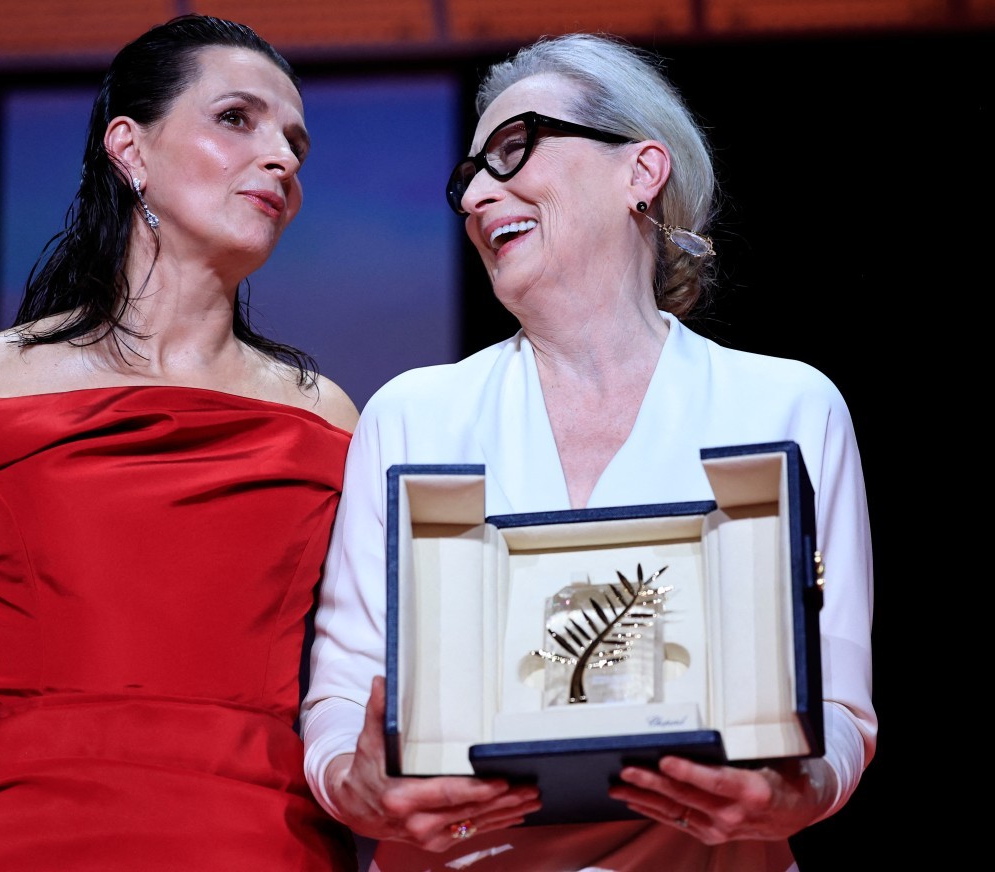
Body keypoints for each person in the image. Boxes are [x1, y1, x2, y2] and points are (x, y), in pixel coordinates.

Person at [300, 31, 874, 872]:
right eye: (468, 178)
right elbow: (342, 704)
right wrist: (358, 786)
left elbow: (838, 712)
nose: (475, 197)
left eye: (513, 149)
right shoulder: (413, 416)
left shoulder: (787, 406)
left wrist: (803, 789)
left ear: (641, 172)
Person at [0, 14, 359, 872]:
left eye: (296, 142)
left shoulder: (326, 416)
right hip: (9, 840)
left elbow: (361, 685)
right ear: (129, 149)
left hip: (256, 843)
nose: (283, 158)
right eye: (237, 119)